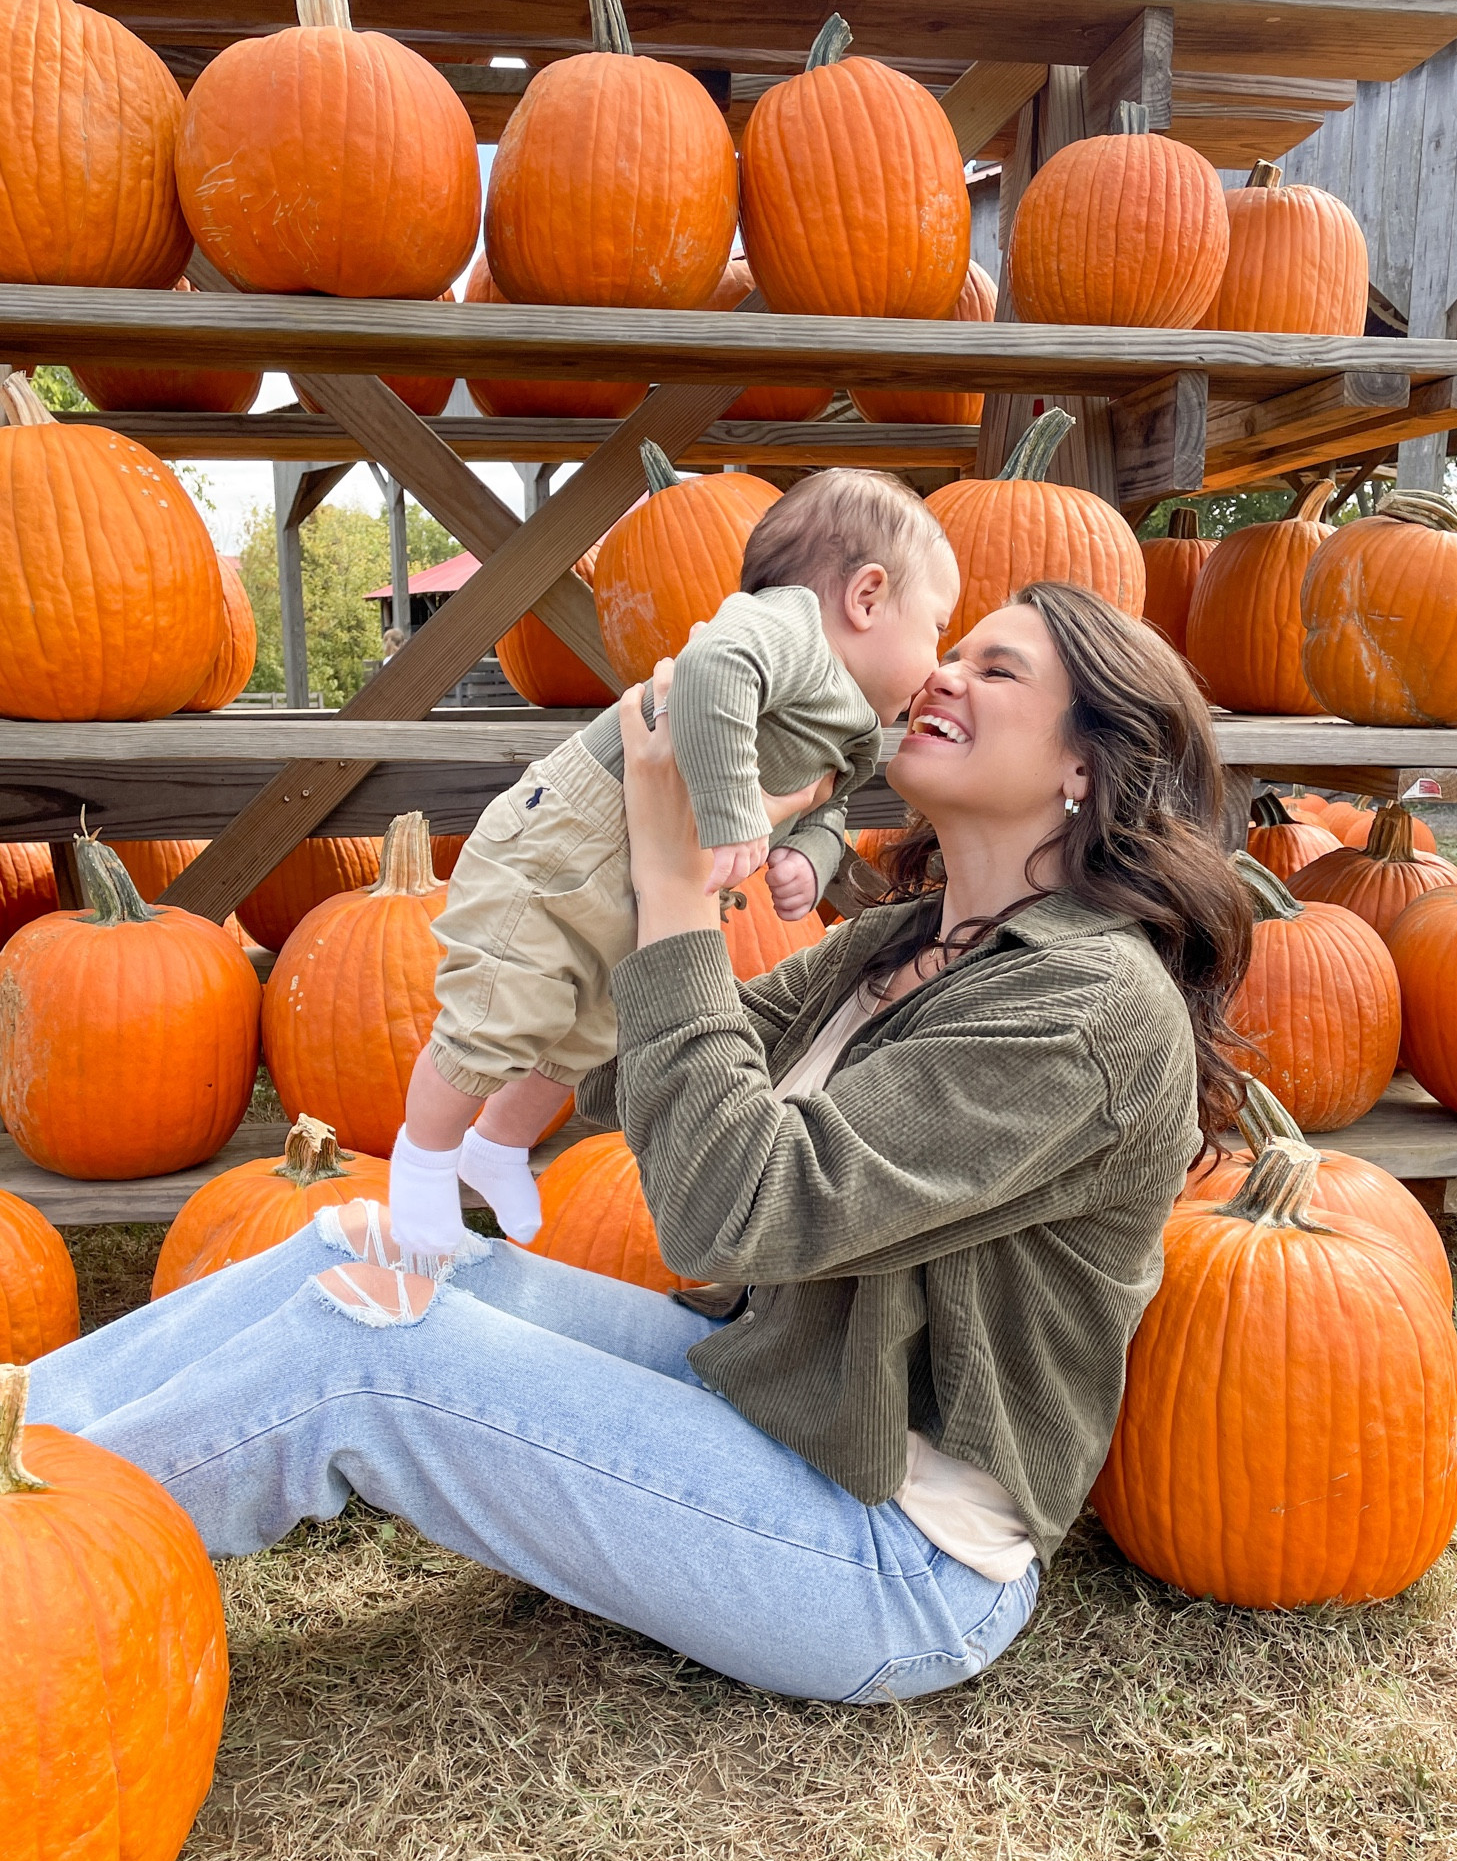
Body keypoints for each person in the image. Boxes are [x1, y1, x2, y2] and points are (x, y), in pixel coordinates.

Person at [26, 583, 1252, 1705]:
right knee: (358, 1249)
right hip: (778, 1403)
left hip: (897, 1551)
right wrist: (652, 828)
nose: (941, 673)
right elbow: (637, 1066)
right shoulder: (911, 938)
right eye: (954, 650)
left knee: (370, 1355)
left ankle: (32, 1547)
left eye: (998, 670)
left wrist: (676, 889)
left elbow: (736, 1206)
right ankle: (22, 1431)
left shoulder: (1088, 1007)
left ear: (1086, 766)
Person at [388, 468, 959, 1255]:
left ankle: (495, 1147)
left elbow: (830, 801)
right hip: (569, 842)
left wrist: (810, 857)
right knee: (498, 1013)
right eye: (934, 627)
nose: (937, 666)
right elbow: (714, 672)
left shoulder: (854, 722)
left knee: (587, 1032)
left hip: (647, 869)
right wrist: (733, 817)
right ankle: (419, 1168)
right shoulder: (787, 627)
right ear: (865, 598)